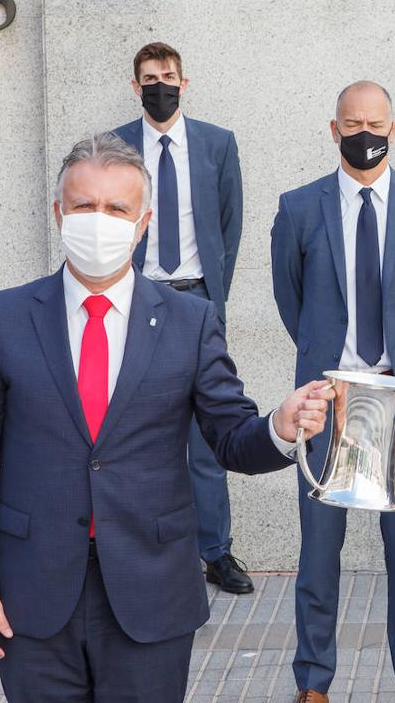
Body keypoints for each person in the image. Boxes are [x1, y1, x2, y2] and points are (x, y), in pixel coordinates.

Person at [0, 133, 332, 702]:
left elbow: (230, 438)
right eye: (84, 205)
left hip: (152, 592)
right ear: (58, 213)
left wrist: (279, 426)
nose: (98, 221)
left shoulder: (190, 321)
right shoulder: (5, 317)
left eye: (116, 208)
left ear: (143, 222)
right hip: (31, 591)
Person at [271, 81, 395, 703]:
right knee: (319, 553)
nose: (365, 134)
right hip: (326, 403)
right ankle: (313, 682)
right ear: (334, 130)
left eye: (375, 124)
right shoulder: (299, 208)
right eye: (353, 124)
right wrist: (328, 364)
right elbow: (291, 300)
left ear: (394, 129)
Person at [109, 41, 252, 594]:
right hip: (136, 297)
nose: (160, 86)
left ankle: (216, 551)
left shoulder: (216, 143)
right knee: (133, 430)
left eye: (168, 76)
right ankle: (141, 550)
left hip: (196, 300)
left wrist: (213, 297)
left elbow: (229, 225)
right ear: (135, 86)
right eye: (149, 78)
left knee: (206, 432)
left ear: (184, 83)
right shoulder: (116, 147)